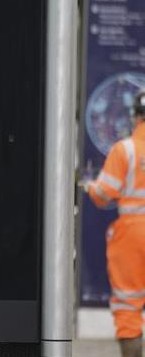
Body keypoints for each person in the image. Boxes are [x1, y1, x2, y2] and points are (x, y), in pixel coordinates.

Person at [86, 90, 145, 357]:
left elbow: (103, 194)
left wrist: (90, 186)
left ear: (135, 117)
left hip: (133, 235)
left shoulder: (125, 150)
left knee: (128, 306)